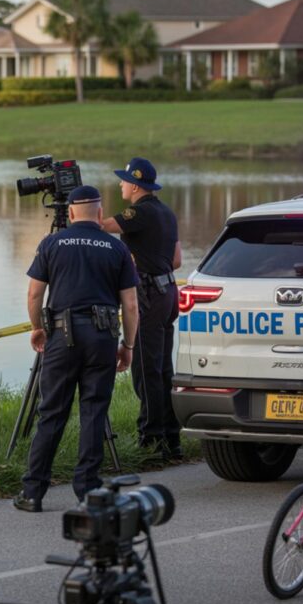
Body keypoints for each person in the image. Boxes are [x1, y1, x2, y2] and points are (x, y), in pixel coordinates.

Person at [14, 185, 139, 513]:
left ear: (69, 213)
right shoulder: (116, 248)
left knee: (52, 411)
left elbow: (34, 294)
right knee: (94, 411)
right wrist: (128, 345)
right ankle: (87, 490)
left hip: (61, 336)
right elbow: (131, 304)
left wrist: (37, 328)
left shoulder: (52, 244)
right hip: (102, 337)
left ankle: (32, 492)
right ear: (100, 214)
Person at [102, 157, 183, 460]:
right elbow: (176, 260)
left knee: (145, 370)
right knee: (162, 367)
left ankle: (150, 439)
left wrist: (79, 213)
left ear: (135, 186)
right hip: (168, 291)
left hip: (148, 294)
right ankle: (170, 438)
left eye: (123, 180)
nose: (120, 184)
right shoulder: (166, 212)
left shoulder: (140, 211)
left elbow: (99, 225)